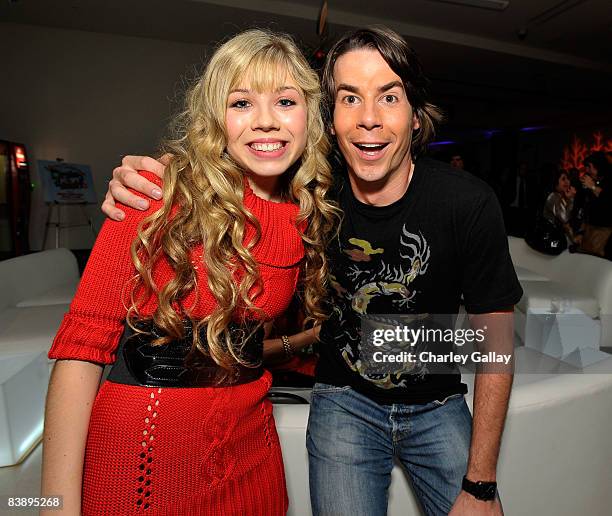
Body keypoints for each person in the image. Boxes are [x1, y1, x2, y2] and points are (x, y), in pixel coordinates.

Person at [102, 26, 522, 516]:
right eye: (349, 98)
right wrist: (156, 178)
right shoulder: (309, 193)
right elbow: (229, 166)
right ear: (330, 117)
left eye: (390, 96)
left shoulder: (467, 202)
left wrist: (482, 483)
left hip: (439, 403)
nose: (369, 119)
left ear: (415, 116)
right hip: (343, 403)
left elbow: (495, 343)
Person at [41, 29, 339, 516]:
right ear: (216, 119)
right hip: (148, 451)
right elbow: (81, 351)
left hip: (251, 447)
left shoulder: (307, 210)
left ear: (310, 115)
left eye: (285, 101)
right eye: (241, 103)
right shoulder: (158, 194)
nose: (266, 121)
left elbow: (236, 335)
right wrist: (53, 505)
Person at [580, 152, 612, 259]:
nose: (587, 170)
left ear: (599, 166)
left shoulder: (609, 179)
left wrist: (592, 187)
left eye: (589, 167)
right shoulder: (594, 180)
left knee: (596, 260)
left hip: (604, 229)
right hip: (590, 227)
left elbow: (608, 199)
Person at [543, 169, 581, 246]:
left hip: (559, 238)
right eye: (563, 179)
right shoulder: (553, 196)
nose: (567, 182)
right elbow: (564, 218)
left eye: (568, 179)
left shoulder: (562, 196)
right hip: (551, 241)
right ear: (555, 182)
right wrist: (571, 199)